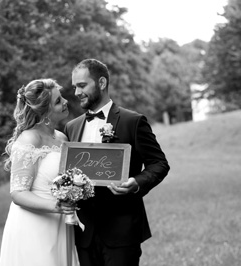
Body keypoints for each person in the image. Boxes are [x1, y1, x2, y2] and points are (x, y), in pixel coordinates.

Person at [64, 59, 170, 266]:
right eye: (75, 86)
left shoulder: (133, 121)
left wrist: (136, 182)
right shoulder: (71, 128)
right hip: (83, 233)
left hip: (122, 231)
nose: (76, 92)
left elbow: (159, 163)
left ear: (102, 83)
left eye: (82, 85)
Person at [0, 79, 79, 266]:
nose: (66, 101)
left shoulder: (62, 138)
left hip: (59, 224)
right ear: (45, 112)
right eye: (58, 101)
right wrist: (55, 206)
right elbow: (18, 193)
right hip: (33, 225)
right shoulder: (29, 139)